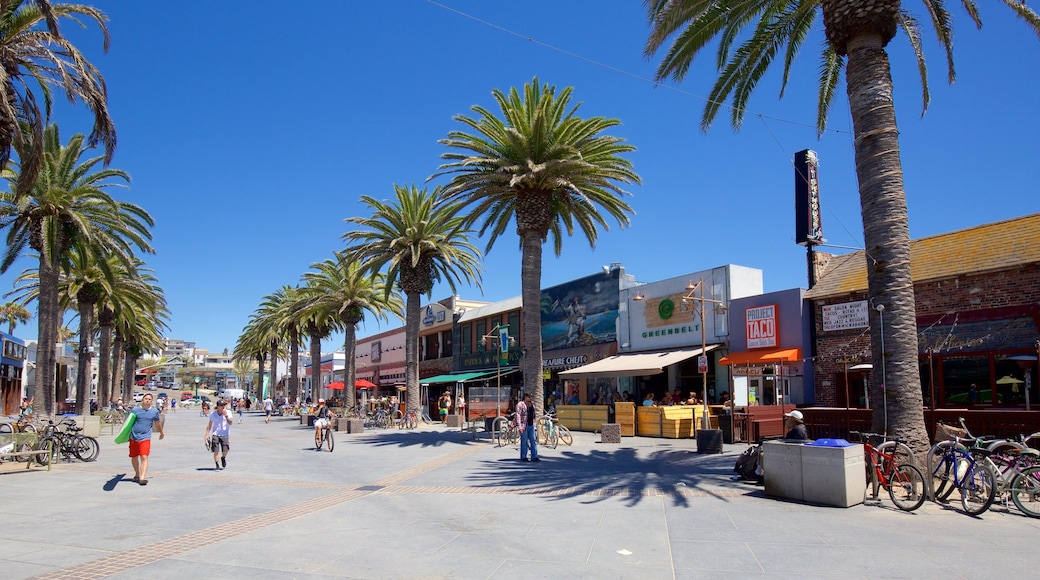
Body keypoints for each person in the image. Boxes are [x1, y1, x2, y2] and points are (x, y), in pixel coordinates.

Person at [128, 393, 165, 485]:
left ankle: (142, 477)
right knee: (134, 456)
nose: (147, 400)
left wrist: (161, 432)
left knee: (144, 456)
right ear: (142, 400)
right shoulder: (135, 410)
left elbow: (157, 423)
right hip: (133, 437)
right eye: (146, 399)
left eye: (149, 399)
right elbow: (128, 422)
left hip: (145, 437)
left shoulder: (154, 411)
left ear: (151, 401)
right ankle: (137, 474)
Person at [205, 399, 234, 471]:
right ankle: (217, 464)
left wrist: (226, 415)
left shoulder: (228, 412)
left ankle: (223, 457)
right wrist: (206, 434)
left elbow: (230, 422)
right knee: (216, 450)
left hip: (225, 434)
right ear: (218, 407)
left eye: (224, 405)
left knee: (225, 450)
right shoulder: (213, 414)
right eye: (221, 405)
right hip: (216, 434)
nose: (223, 407)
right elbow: (209, 425)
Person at [516, 393, 539, 462]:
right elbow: (518, 416)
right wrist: (519, 427)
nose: (530, 398)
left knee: (533, 441)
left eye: (530, 397)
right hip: (524, 426)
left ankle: (534, 456)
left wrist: (535, 425)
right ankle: (523, 456)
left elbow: (533, 415)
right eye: (528, 397)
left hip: (531, 425)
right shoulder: (520, 405)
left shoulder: (531, 404)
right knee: (524, 441)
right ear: (525, 397)